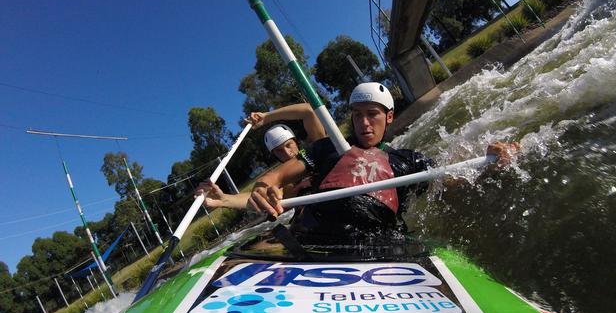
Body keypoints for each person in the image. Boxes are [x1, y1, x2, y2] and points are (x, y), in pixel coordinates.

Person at [246, 82, 519, 242]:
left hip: (380, 245)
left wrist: (490, 164)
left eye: (372, 114)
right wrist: (261, 190)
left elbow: (449, 185)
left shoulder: (407, 160)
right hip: (313, 240)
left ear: (389, 117)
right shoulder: (327, 148)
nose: (364, 123)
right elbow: (274, 179)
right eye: (357, 115)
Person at [196, 103, 325, 210]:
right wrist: (224, 199)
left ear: (295, 142)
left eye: (288, 145)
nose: (286, 152)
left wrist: (267, 117)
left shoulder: (318, 148)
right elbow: (258, 194)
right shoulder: (283, 183)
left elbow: (308, 111)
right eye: (279, 151)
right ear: (273, 155)